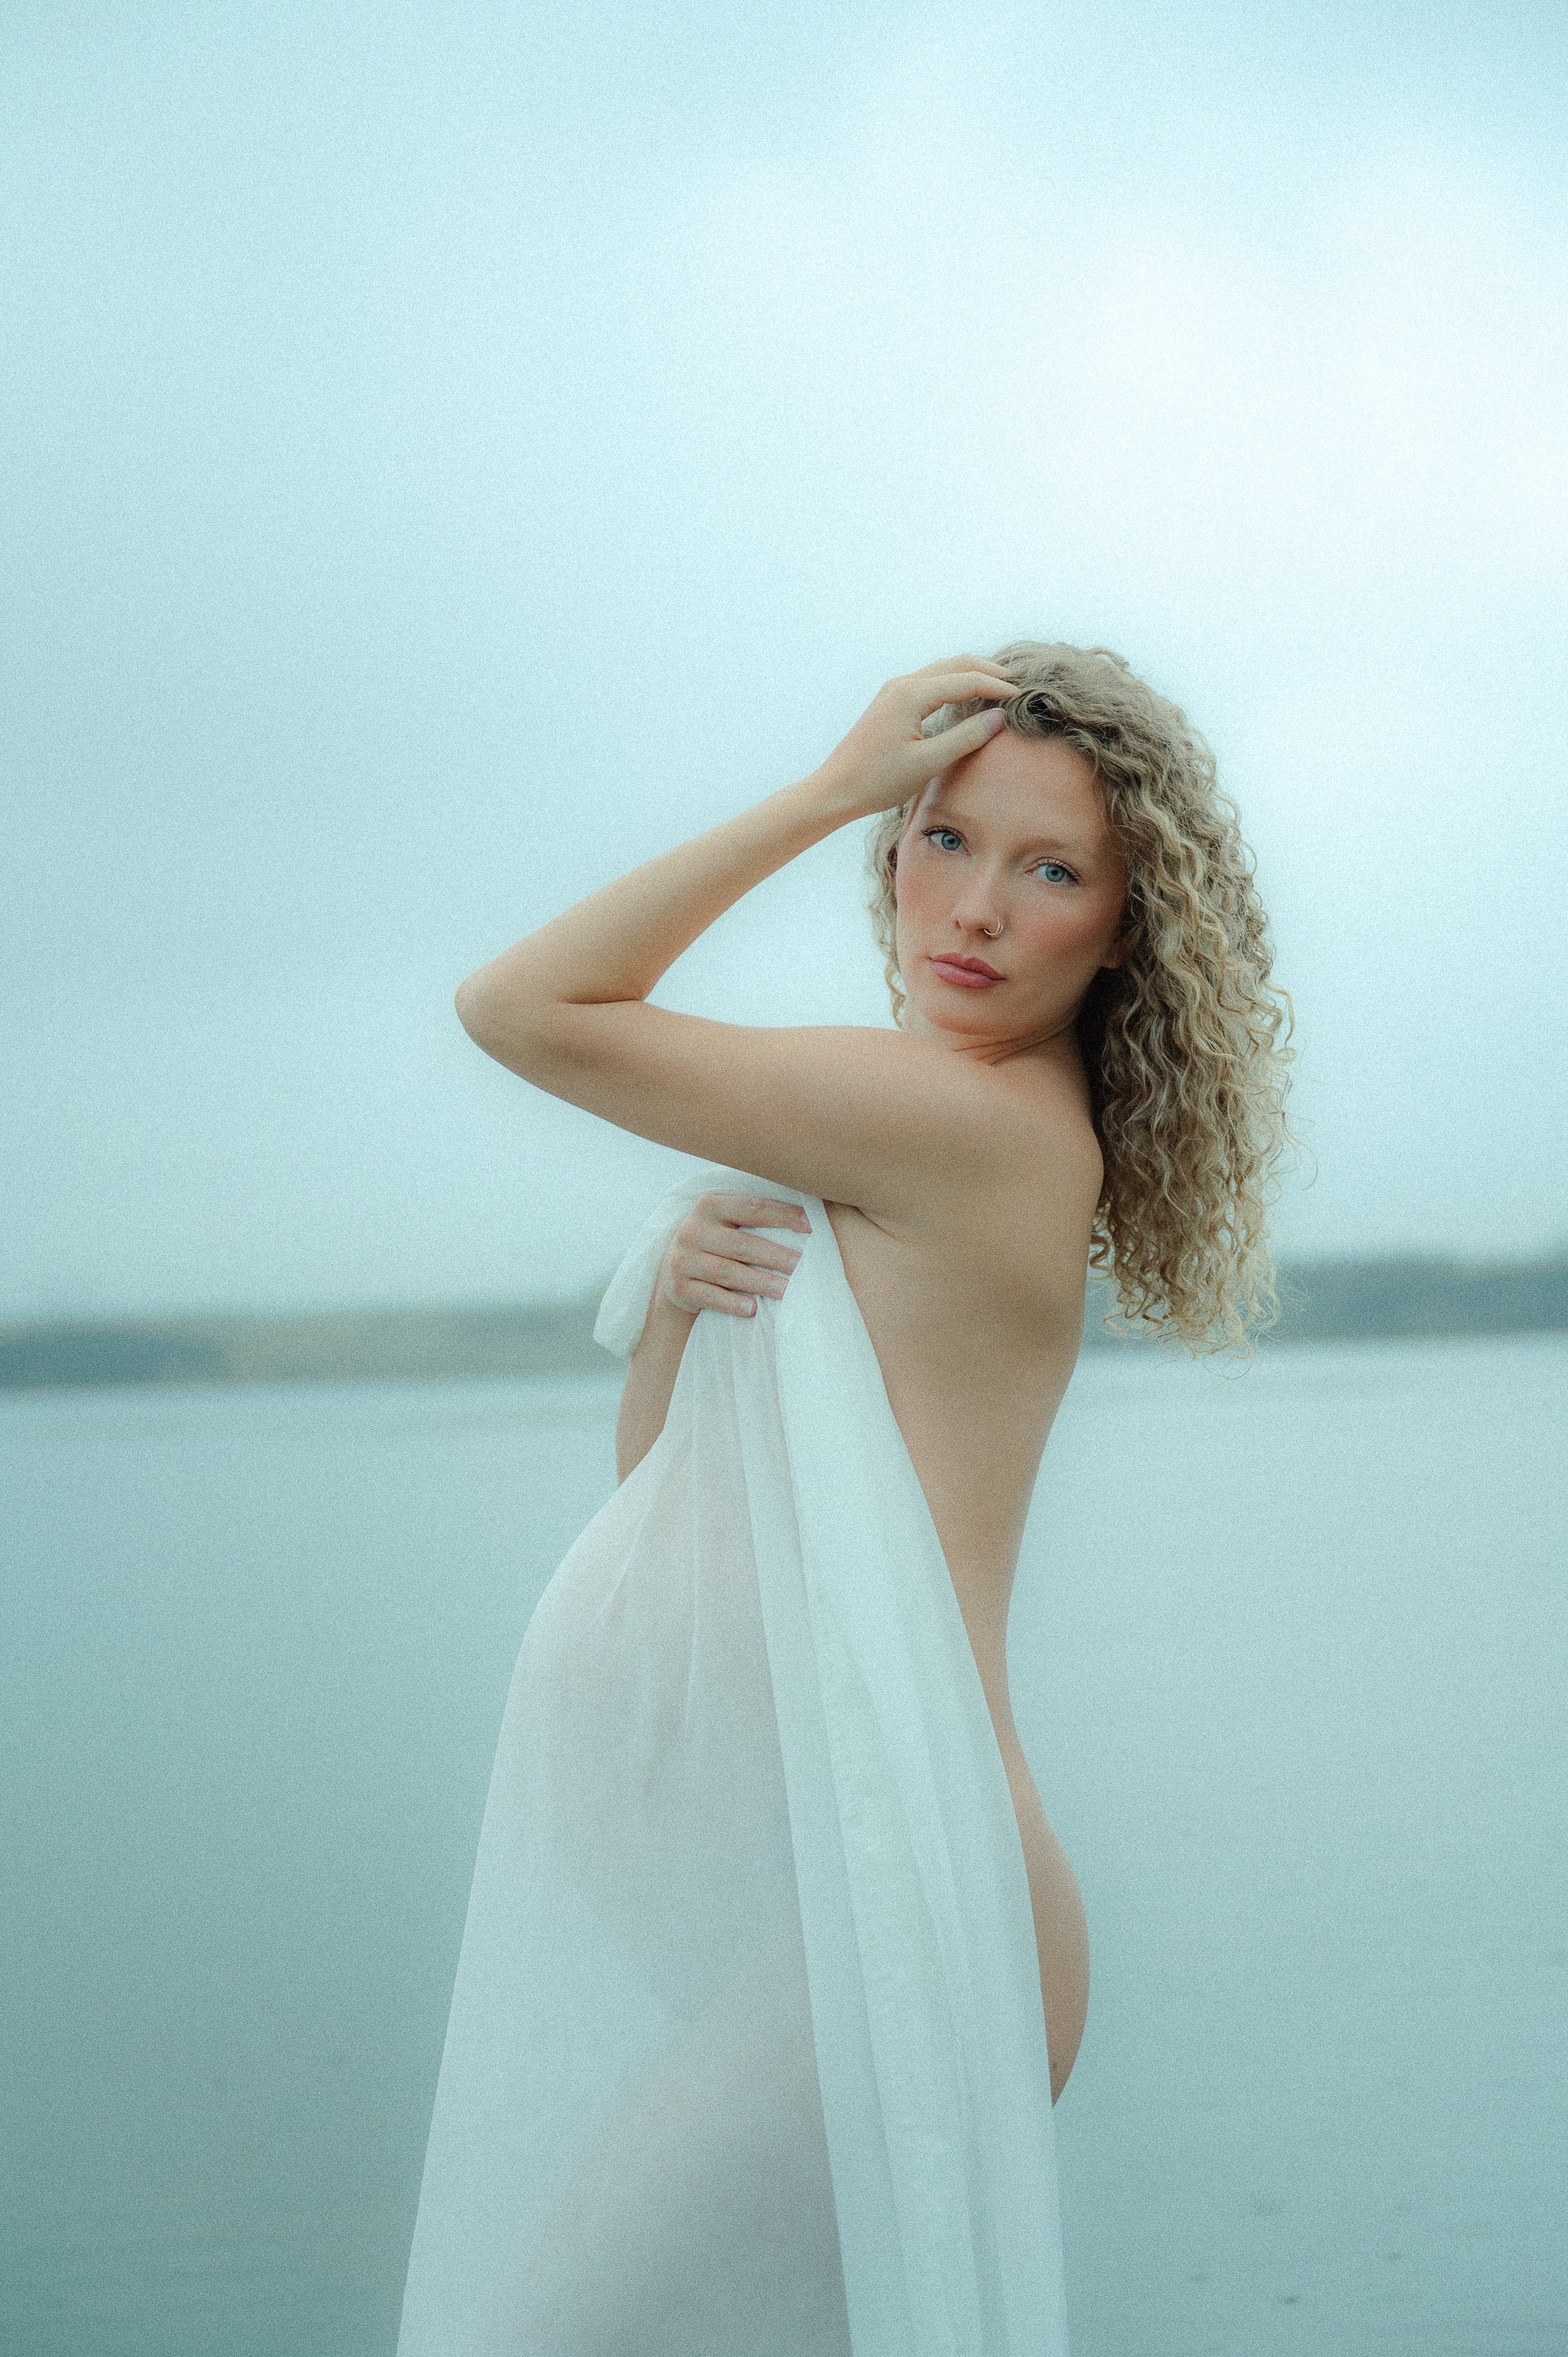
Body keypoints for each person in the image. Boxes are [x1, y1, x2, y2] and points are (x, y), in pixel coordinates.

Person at [395, 644, 1296, 2356]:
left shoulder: (966, 1125)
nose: (970, 907)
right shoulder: (905, 1130)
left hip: (902, 1890)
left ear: (1123, 931)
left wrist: (829, 785)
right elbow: (674, 1511)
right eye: (937, 838)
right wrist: (675, 1301)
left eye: (1049, 872)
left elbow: (521, 1010)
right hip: (842, 1896)